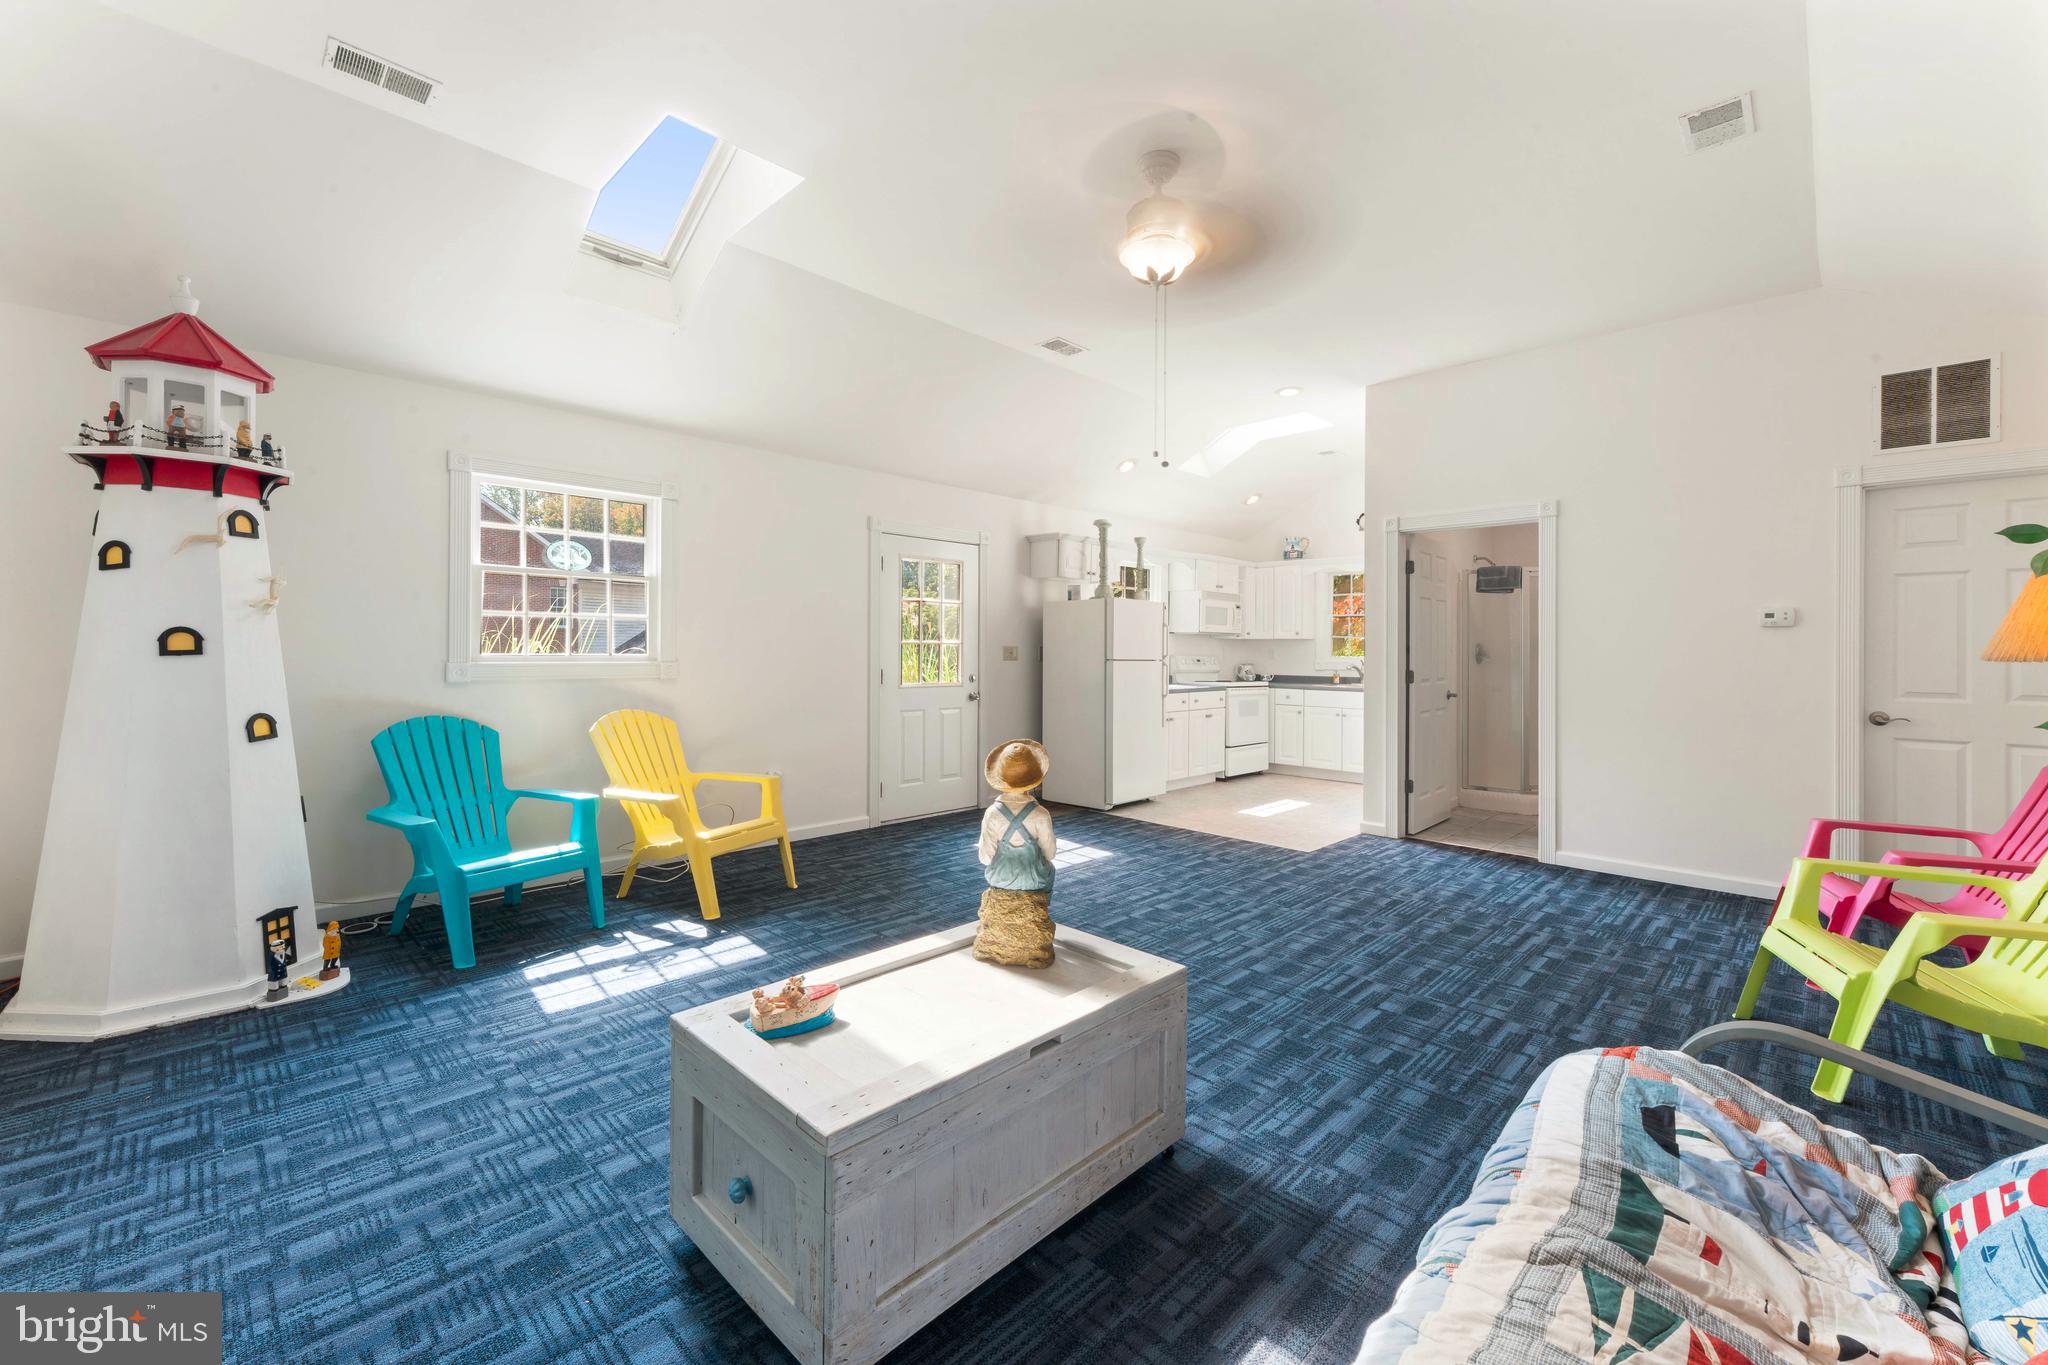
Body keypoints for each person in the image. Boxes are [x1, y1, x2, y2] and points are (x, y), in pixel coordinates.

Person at [973, 739, 1057, 968]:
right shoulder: (1040, 813)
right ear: (1035, 780)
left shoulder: (992, 813)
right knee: (1050, 872)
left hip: (999, 878)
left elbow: (985, 857)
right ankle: (1036, 911)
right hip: (1033, 879)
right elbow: (1050, 853)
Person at [264, 935, 291, 1001]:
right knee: (274, 984)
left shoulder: (284, 954)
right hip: (275, 973)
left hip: (283, 972)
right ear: (275, 949)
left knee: (283, 982)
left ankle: (283, 985)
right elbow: (272, 964)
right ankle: (274, 989)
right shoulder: (272, 955)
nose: (282, 949)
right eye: (280, 948)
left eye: (283, 947)